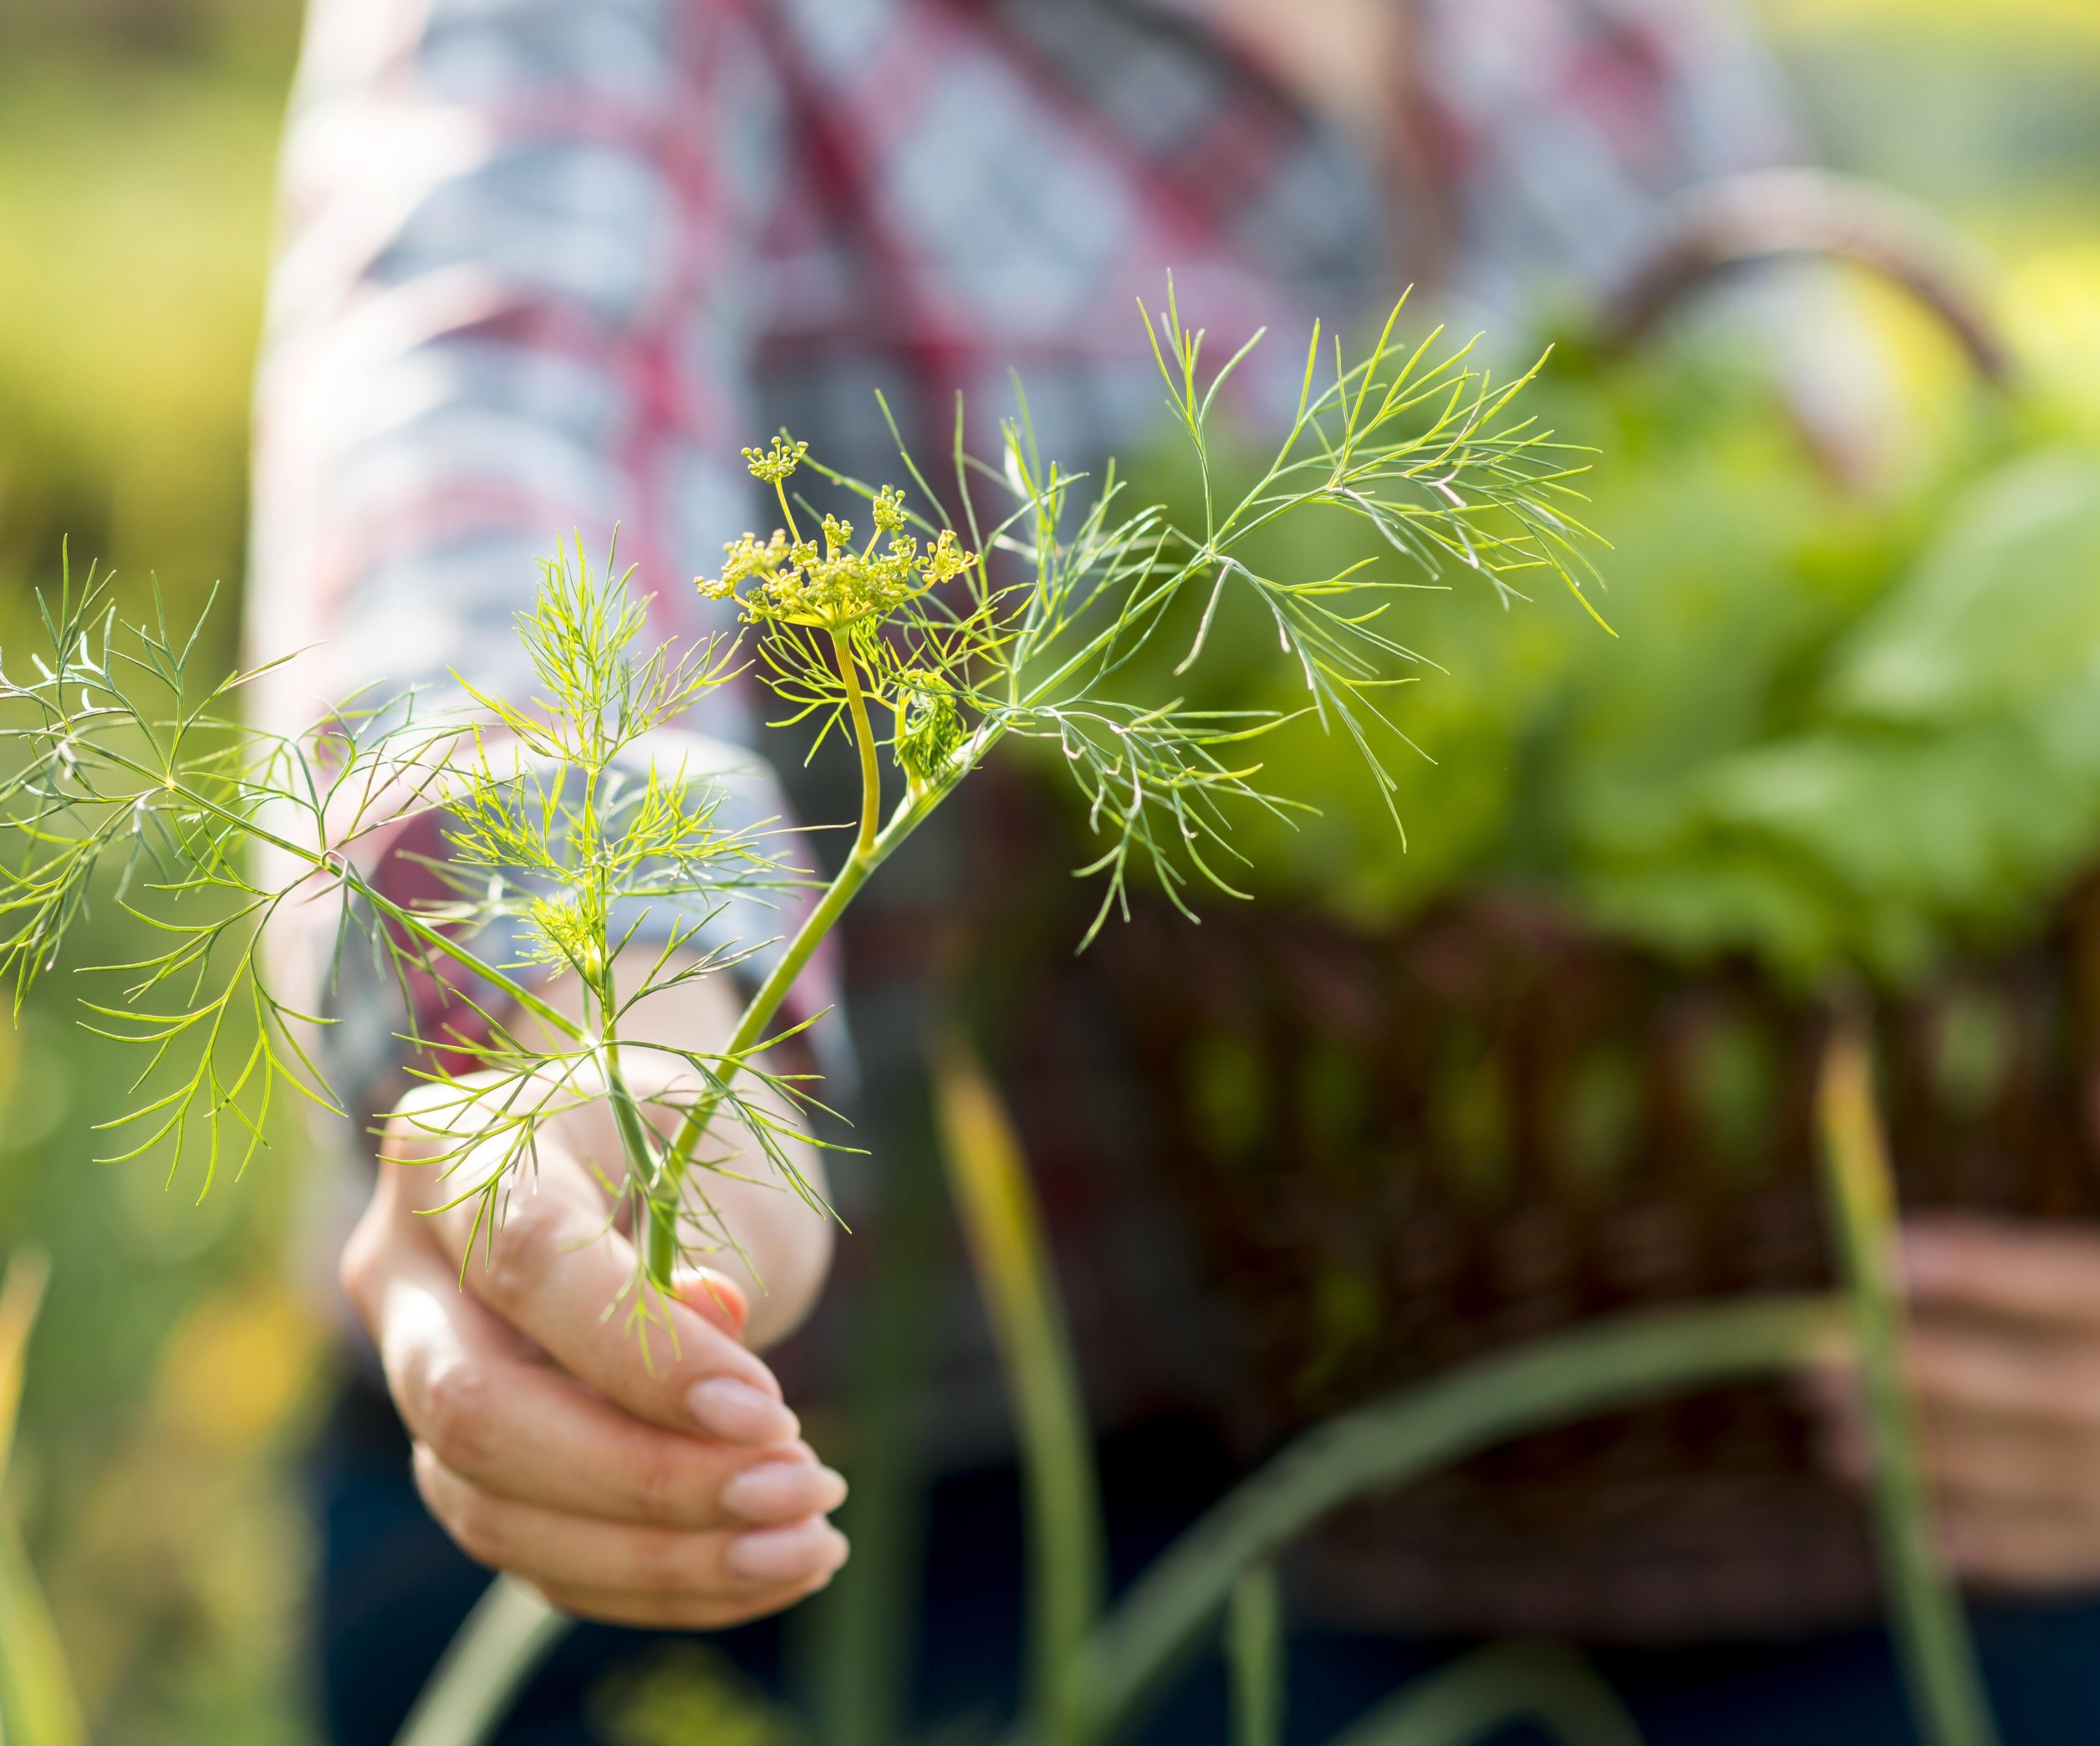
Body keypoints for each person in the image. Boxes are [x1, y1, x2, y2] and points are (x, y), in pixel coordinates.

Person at [248, 0, 2100, 1740]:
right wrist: (610, 1025)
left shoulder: (1602, 42)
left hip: (1638, 1444)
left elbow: (1856, 596)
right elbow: (480, 513)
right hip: (842, 1497)